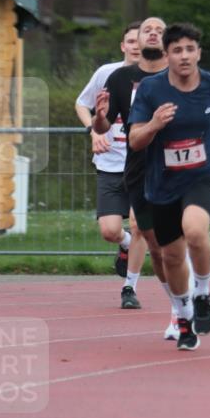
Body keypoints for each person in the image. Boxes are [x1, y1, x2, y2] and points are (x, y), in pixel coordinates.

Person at [128, 22, 210, 351]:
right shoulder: (151, 90)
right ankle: (183, 316)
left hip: (205, 174)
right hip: (163, 182)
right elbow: (135, 140)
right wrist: (154, 124)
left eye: (190, 50)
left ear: (199, 53)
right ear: (167, 55)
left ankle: (204, 293)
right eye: (177, 50)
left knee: (195, 231)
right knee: (170, 255)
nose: (184, 56)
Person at [92, 17, 191, 339]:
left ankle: (184, 306)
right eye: (145, 29)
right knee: (156, 248)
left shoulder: (180, 75)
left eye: (159, 30)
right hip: (136, 169)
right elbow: (106, 128)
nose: (150, 33)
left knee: (175, 243)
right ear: (135, 39)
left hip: (174, 169)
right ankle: (179, 305)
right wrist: (100, 119)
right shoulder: (121, 78)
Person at [75, 22, 148, 309]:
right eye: (130, 41)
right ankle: (126, 246)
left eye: (139, 40)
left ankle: (129, 287)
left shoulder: (157, 78)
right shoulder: (107, 74)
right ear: (123, 46)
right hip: (109, 162)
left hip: (141, 164)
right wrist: (93, 132)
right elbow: (82, 104)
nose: (135, 45)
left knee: (139, 224)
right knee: (109, 230)